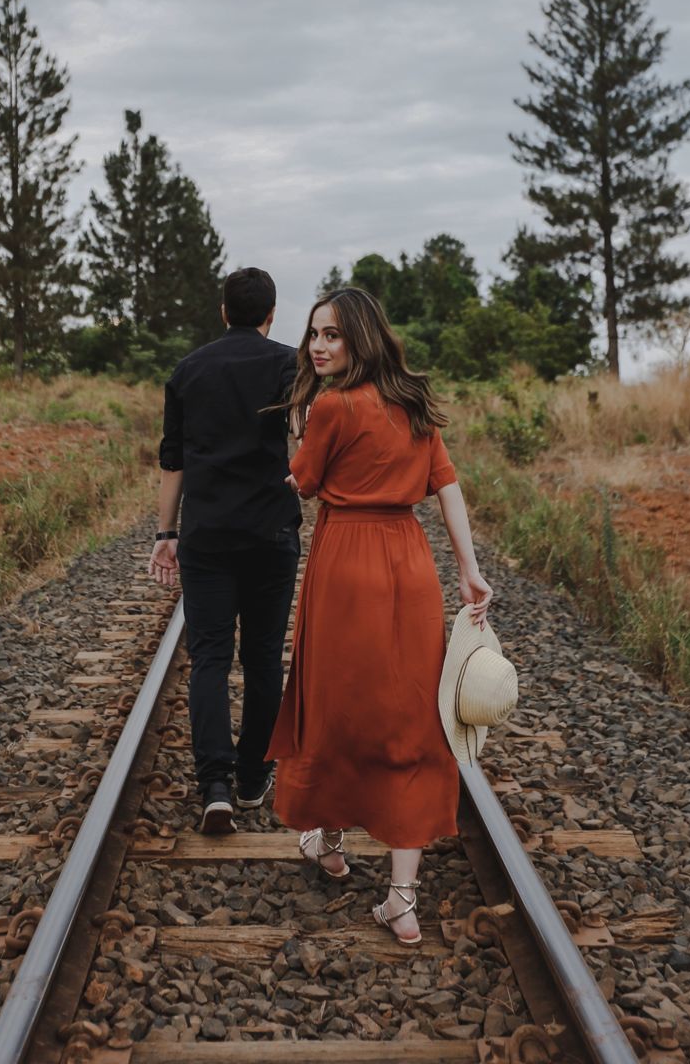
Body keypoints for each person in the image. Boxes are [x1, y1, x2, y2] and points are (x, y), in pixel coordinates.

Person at [267, 286, 492, 947]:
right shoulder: (414, 404)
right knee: (409, 716)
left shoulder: (331, 406)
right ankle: (400, 898)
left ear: (359, 337)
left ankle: (330, 840)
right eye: (313, 335)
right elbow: (446, 486)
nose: (317, 346)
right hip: (410, 564)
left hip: (345, 562)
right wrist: (467, 568)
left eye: (331, 335)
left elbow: (301, 483)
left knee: (334, 702)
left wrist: (300, 429)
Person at [150, 266, 301, 835]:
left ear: (222, 312)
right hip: (270, 534)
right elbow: (306, 441)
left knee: (209, 657)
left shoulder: (188, 371)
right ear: (271, 314)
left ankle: (213, 785)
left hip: (207, 537)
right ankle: (252, 774)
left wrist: (167, 536)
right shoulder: (290, 364)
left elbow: (174, 462)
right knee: (263, 658)